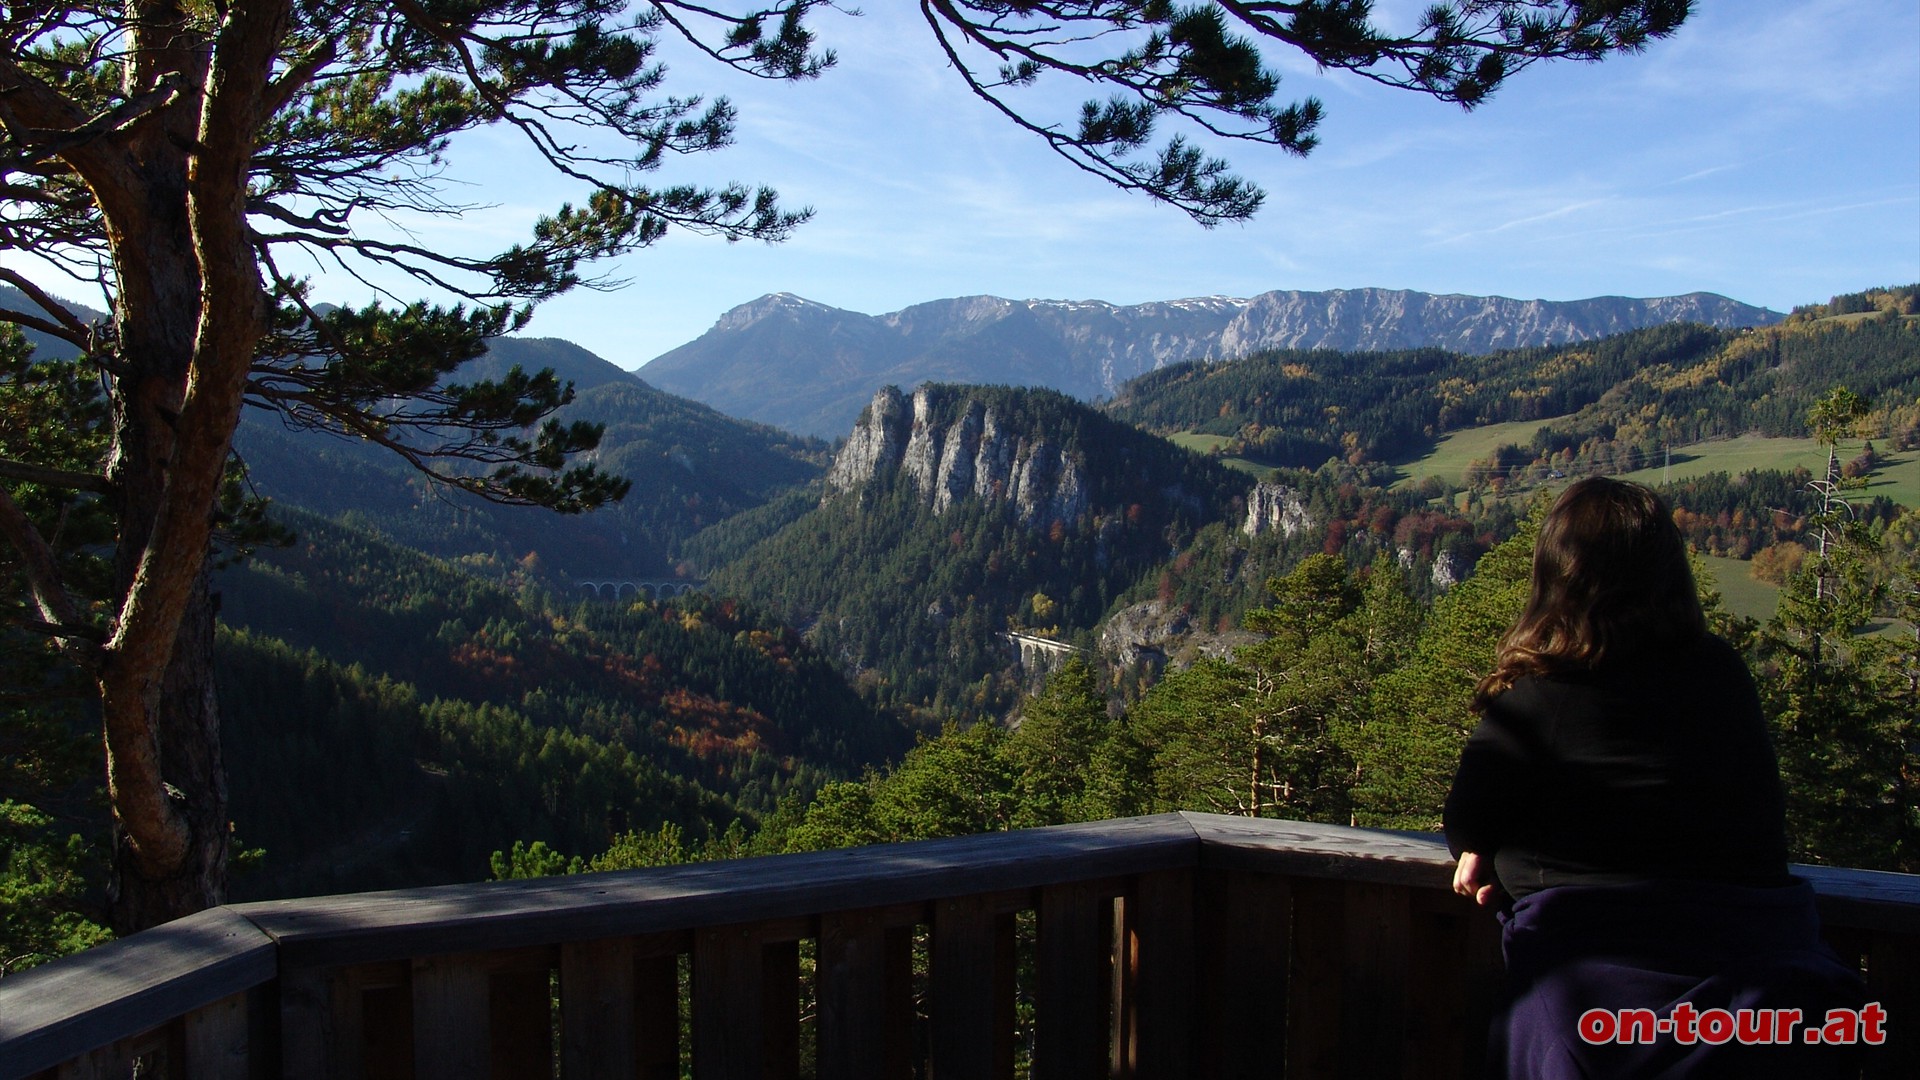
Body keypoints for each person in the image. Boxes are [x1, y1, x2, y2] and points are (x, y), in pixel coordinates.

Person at [1444, 476, 1865, 1079]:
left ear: (1554, 578)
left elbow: (1468, 819)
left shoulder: (1541, 699)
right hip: (1768, 1000)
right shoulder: (1721, 675)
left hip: (1600, 1017)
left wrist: (1479, 851)